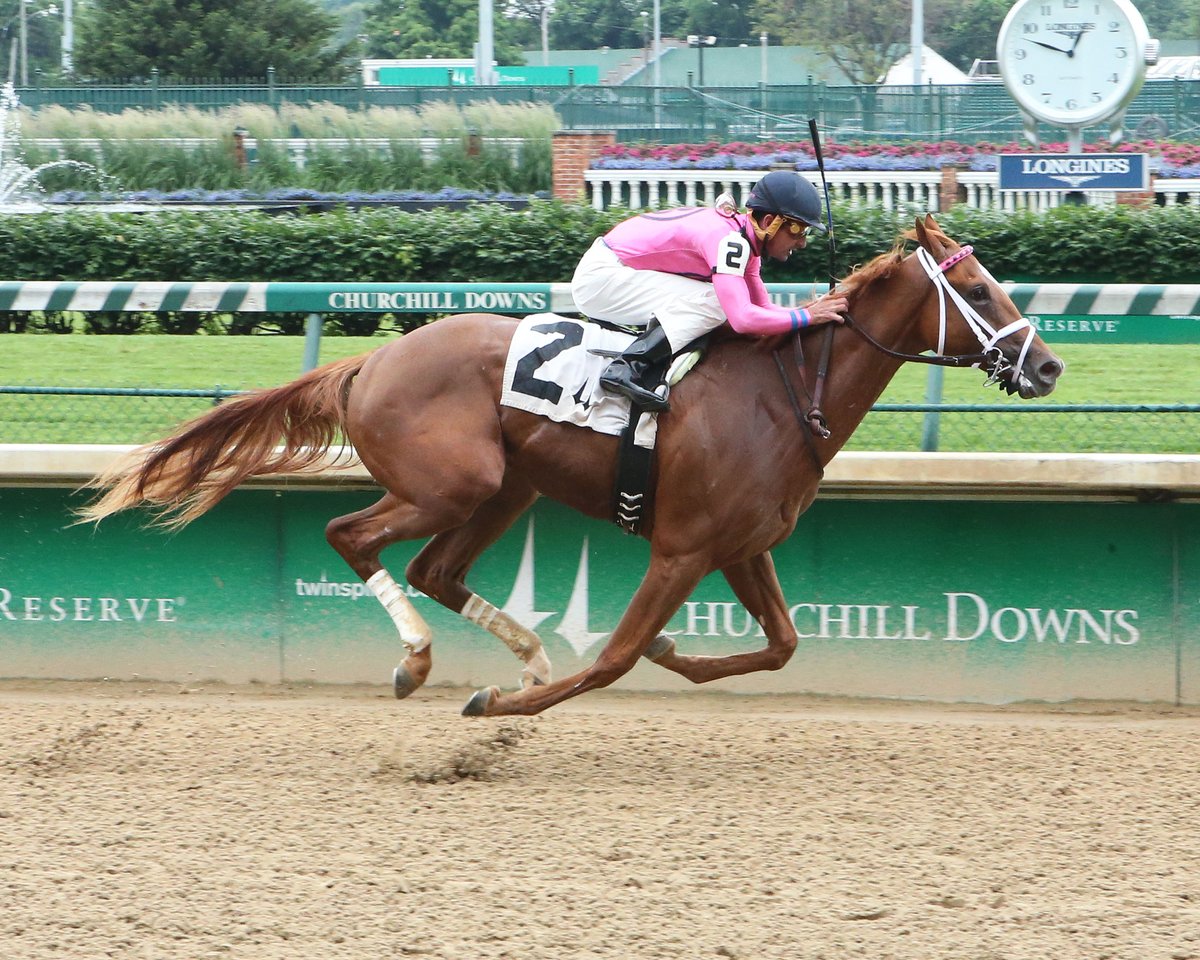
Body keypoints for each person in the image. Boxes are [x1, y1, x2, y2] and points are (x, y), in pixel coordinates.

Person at [571, 169, 850, 412]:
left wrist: (810, 312)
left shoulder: (745, 243)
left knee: (720, 300)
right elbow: (742, 319)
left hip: (612, 269)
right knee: (719, 301)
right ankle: (628, 366)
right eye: (798, 230)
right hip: (601, 278)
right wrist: (809, 317)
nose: (801, 242)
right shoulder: (730, 242)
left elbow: (763, 311)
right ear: (769, 223)